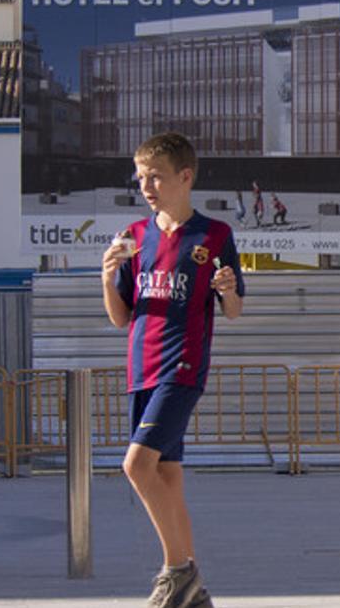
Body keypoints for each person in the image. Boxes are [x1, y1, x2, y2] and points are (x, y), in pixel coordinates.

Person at [101, 131, 245, 608]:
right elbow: (121, 316)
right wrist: (106, 279)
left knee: (135, 464)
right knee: (167, 478)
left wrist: (227, 289)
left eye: (156, 176)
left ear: (185, 177)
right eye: (141, 177)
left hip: (182, 367)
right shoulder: (135, 238)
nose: (147, 186)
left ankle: (177, 569)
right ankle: (193, 590)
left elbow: (233, 310)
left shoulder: (215, 235)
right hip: (140, 368)